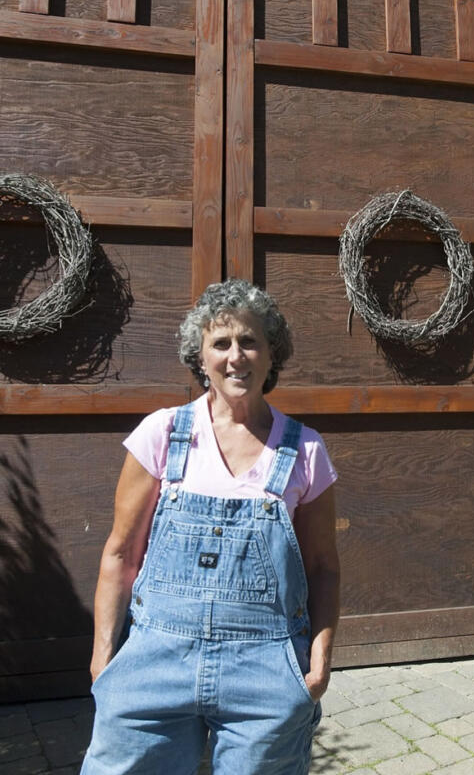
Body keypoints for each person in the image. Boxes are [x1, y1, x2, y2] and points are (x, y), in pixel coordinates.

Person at [81, 279, 340, 774]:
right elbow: (120, 554)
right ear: (200, 358)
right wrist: (103, 661)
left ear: (271, 355)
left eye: (249, 341)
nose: (235, 356)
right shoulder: (163, 434)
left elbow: (324, 567)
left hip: (265, 669)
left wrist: (320, 662)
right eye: (221, 343)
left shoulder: (305, 452)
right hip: (153, 664)